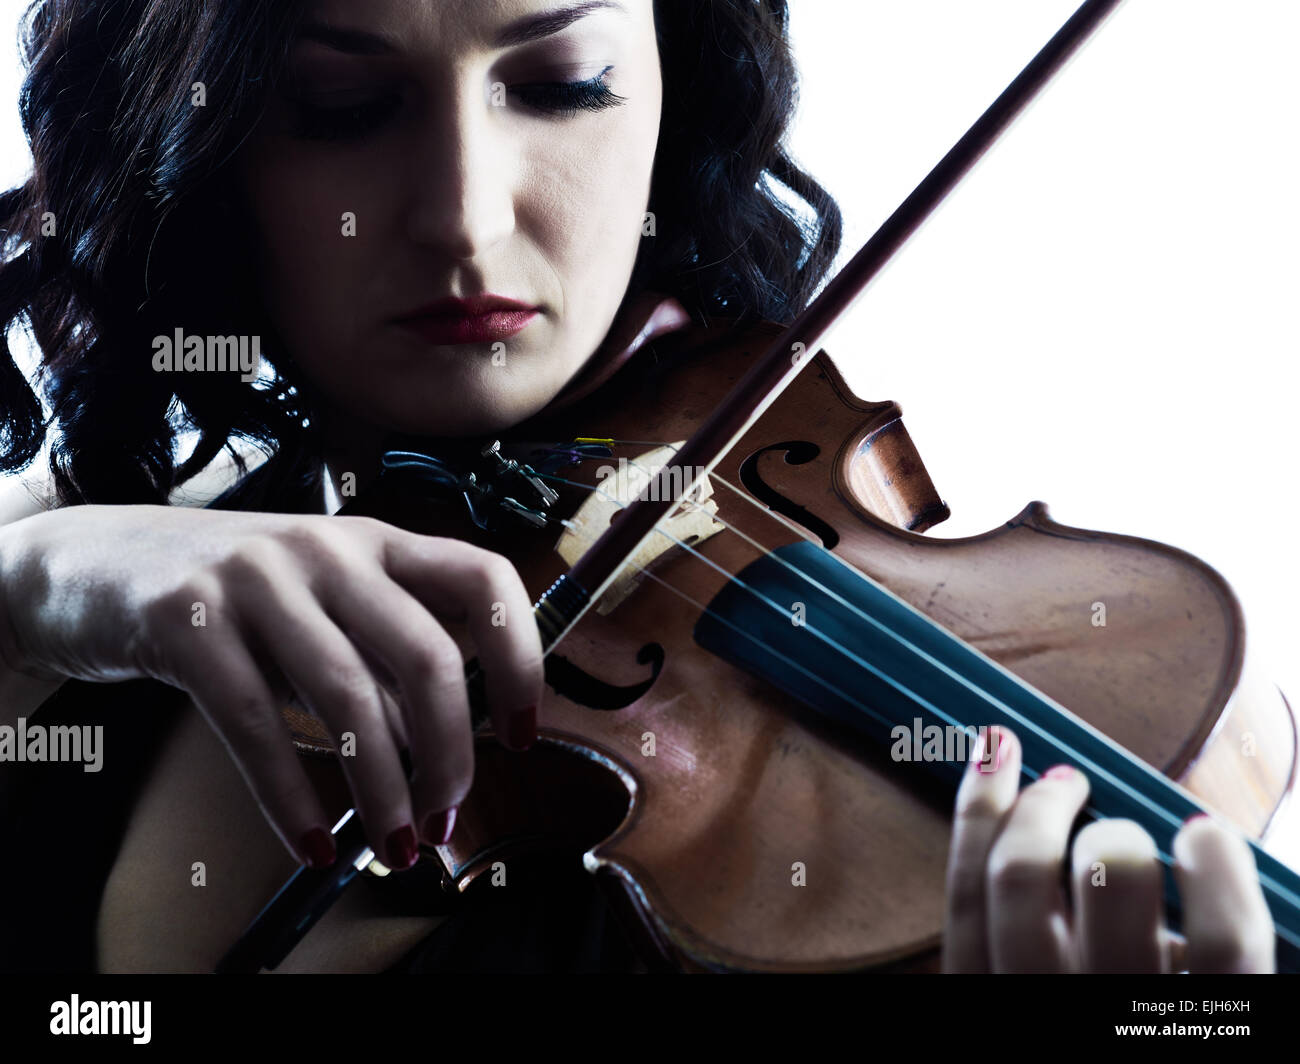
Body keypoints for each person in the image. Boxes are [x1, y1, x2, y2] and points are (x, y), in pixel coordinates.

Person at [0, 0, 1277, 973]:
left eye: (564, 85)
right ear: (195, 141)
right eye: (340, 106)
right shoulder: (84, 588)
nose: (463, 218)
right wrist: (38, 582)